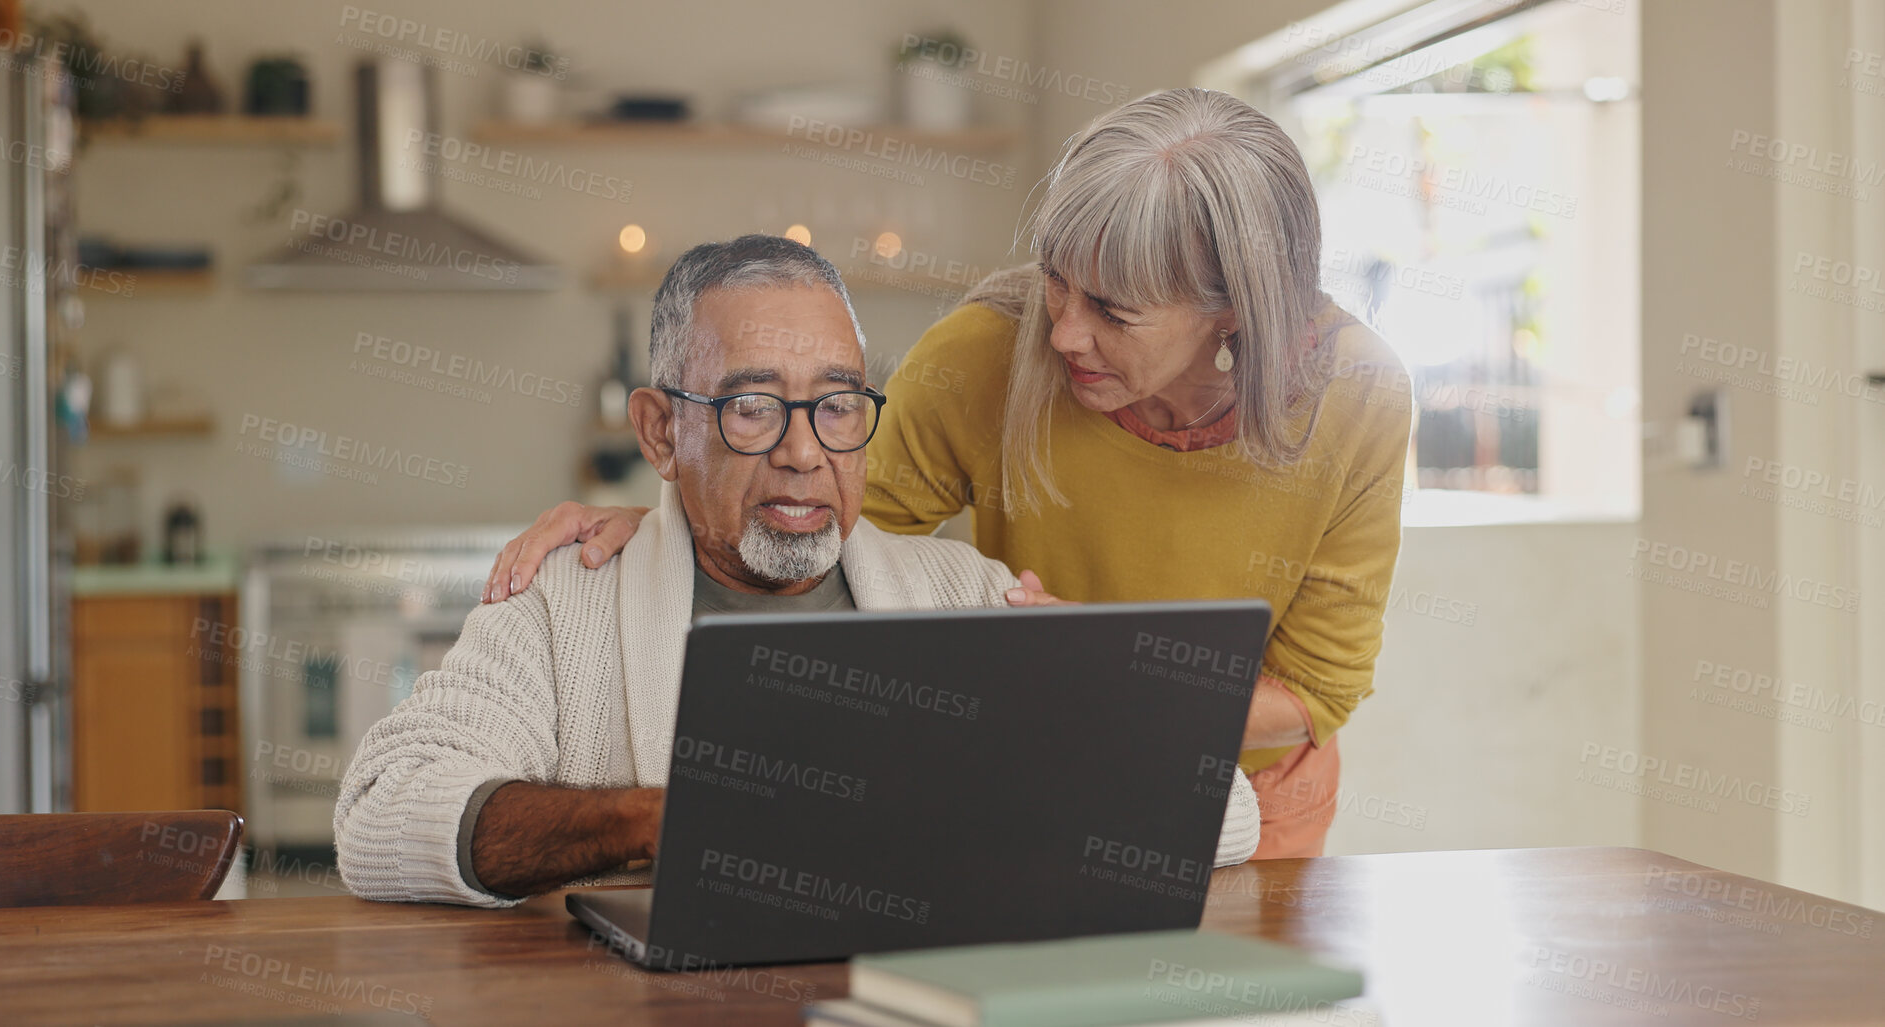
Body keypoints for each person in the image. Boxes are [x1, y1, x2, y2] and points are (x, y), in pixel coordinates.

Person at [483, 90, 1413, 859]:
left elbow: (1315, 692)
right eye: (1056, 279)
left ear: (1232, 314)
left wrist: (1111, 683)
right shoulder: (988, 354)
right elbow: (813, 515)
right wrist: (662, 511)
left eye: (1113, 311)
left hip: (1246, 799)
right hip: (1040, 778)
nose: (1061, 334)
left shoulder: (1357, 397)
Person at [334, 234, 1262, 906]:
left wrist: (1082, 706)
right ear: (663, 431)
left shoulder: (965, 594)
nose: (803, 453)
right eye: (750, 409)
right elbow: (379, 818)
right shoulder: (562, 601)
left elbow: (1227, 814)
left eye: (837, 406)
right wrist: (658, 819)